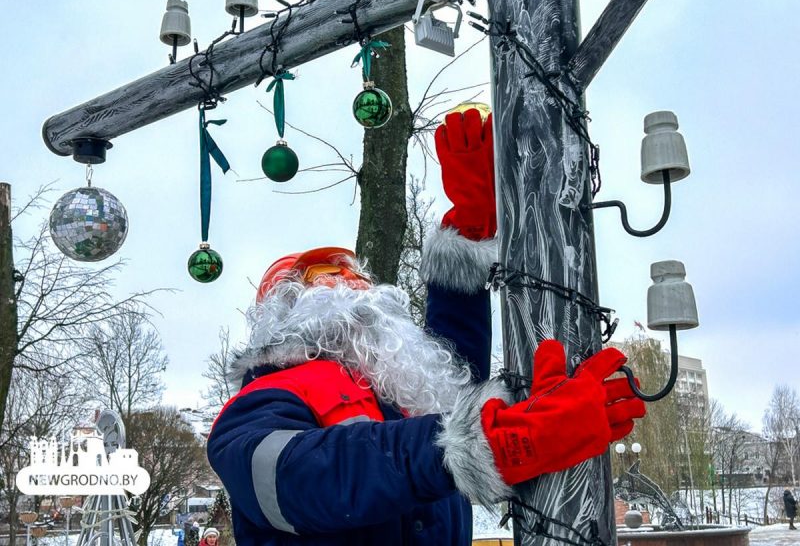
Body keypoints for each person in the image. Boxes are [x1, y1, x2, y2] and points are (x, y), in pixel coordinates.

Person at [207, 108, 646, 545]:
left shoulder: (391, 384)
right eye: (325, 276)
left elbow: (453, 376)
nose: (352, 281)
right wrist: (472, 446)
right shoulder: (260, 402)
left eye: (355, 274)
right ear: (284, 313)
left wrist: (469, 233)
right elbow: (299, 479)